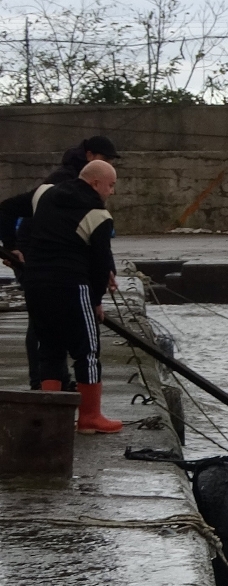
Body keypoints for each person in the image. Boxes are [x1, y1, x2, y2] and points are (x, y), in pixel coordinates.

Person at [1, 136, 119, 390]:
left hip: (45, 266)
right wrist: (12, 247)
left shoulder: (77, 191)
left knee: (50, 335)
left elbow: (94, 241)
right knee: (61, 335)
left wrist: (106, 266)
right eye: (106, 159)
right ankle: (47, 387)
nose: (112, 191)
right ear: (90, 158)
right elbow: (92, 238)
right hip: (45, 260)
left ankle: (52, 393)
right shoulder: (59, 185)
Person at [25, 159, 122, 434]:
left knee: (50, 348)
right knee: (87, 351)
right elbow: (100, 264)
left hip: (35, 281)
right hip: (70, 283)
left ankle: (51, 417)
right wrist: (96, 301)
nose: (111, 192)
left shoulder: (44, 194)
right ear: (95, 183)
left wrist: (13, 246)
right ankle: (90, 417)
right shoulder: (98, 215)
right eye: (110, 185)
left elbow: (11, 211)